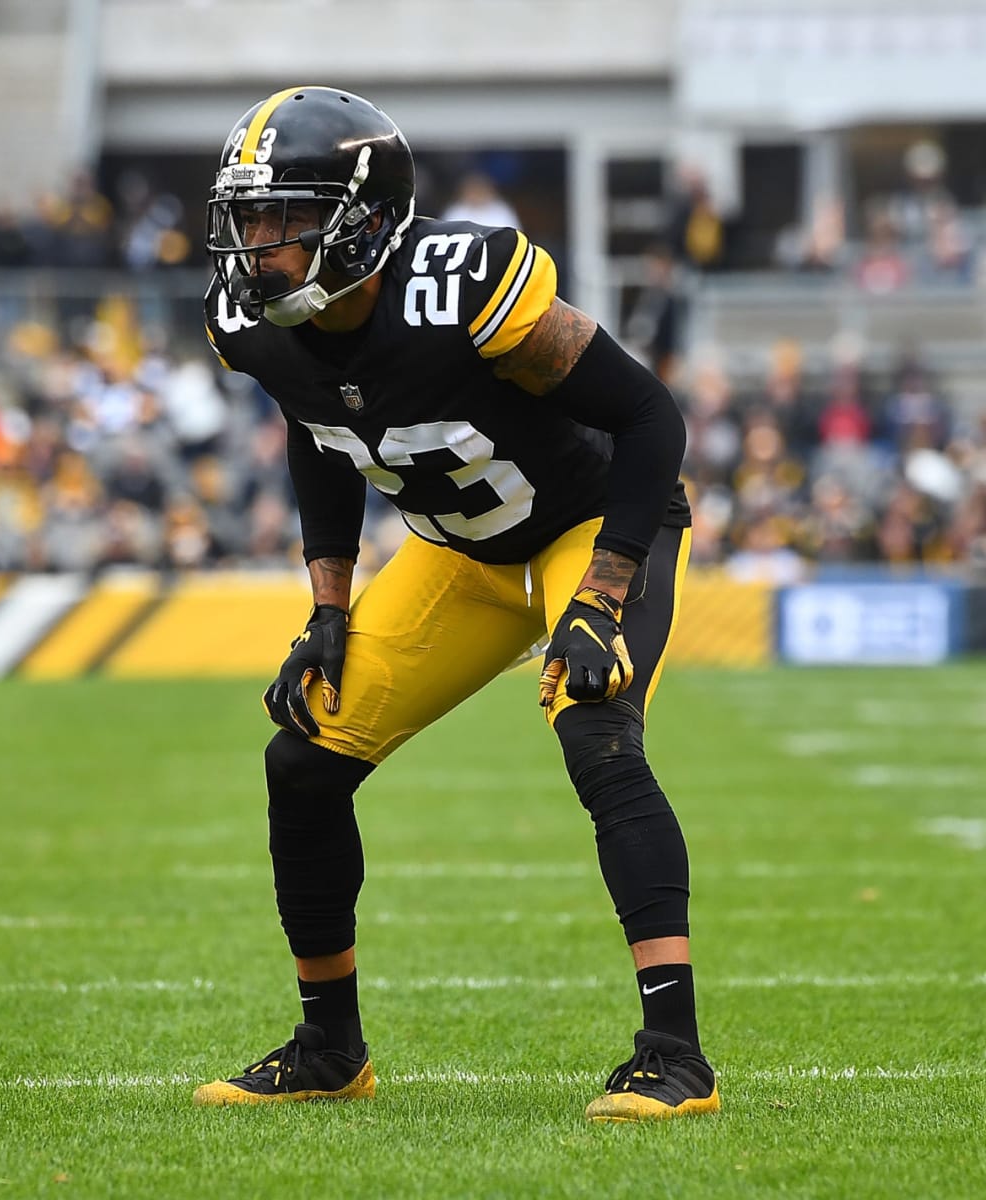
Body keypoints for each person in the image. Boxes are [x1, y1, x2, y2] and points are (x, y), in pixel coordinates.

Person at [194, 86, 717, 1122]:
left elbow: (652, 417)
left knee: (596, 726)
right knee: (303, 757)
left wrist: (605, 595)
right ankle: (328, 1048)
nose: (259, 244)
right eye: (247, 217)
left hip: (596, 524)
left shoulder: (463, 284)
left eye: (284, 217)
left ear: (365, 219)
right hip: (462, 555)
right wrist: (328, 608)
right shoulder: (251, 322)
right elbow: (317, 429)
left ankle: (675, 1055)